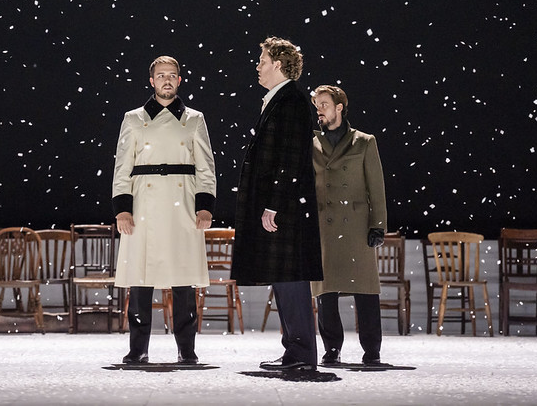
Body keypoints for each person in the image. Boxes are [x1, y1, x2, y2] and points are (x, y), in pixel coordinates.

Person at [112, 56, 216, 365]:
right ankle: (138, 348)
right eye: (161, 75)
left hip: (182, 203)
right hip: (143, 203)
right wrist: (122, 210)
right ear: (152, 81)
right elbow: (122, 166)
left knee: (183, 280)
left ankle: (187, 348)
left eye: (172, 75)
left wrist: (205, 206)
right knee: (140, 281)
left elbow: (206, 166)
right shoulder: (134, 119)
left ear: (179, 80)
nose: (166, 80)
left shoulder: (194, 119)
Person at [231, 36, 323, 371]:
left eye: (262, 61)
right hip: (284, 205)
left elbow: (290, 158)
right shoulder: (281, 100)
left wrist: (274, 204)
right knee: (283, 279)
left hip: (287, 209)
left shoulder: (292, 101)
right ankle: (294, 352)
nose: (258, 66)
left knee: (291, 278)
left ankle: (301, 355)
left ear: (278, 65)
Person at [310, 85, 387, 366]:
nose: (319, 110)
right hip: (324, 225)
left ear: (339, 107)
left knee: (366, 290)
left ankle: (372, 349)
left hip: (355, 225)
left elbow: (376, 187)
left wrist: (378, 225)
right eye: (317, 105)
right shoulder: (311, 143)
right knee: (325, 291)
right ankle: (332, 348)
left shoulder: (364, 142)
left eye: (324, 104)